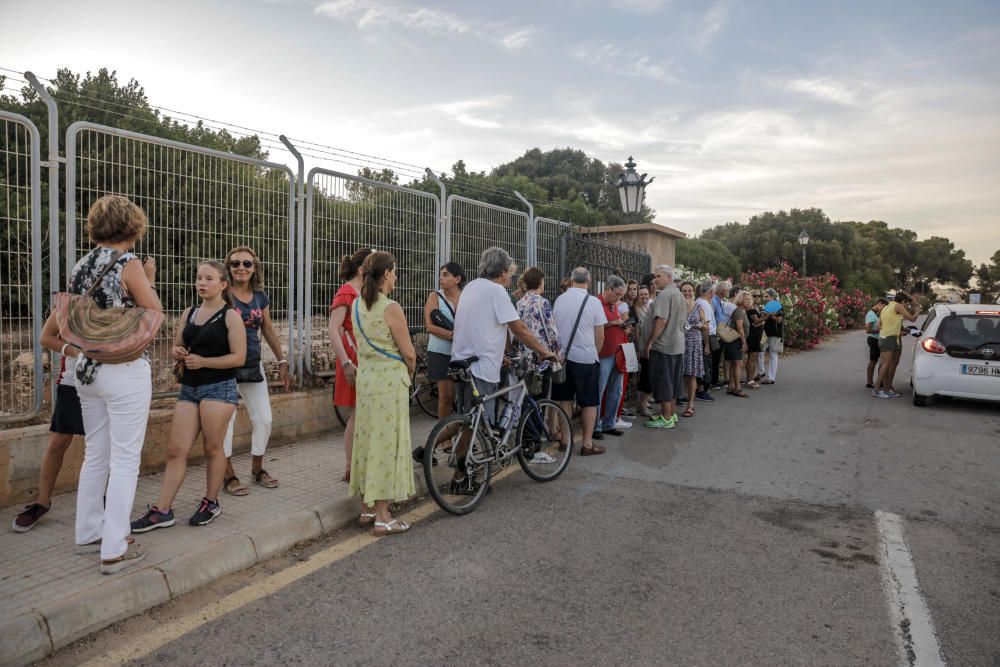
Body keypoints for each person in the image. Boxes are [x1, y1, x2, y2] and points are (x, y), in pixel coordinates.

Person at [70, 194, 160, 573]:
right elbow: (153, 313)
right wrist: (149, 281)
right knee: (125, 458)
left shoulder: (80, 264)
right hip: (123, 368)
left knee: (96, 452)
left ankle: (89, 530)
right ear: (132, 226)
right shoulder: (128, 262)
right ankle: (115, 545)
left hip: (87, 368)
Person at [131, 261, 246, 533]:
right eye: (198, 278)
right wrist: (178, 353)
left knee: (212, 448)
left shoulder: (230, 316)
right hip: (190, 388)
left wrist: (204, 362)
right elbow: (177, 345)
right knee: (175, 450)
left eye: (208, 278)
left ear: (223, 284)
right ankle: (162, 510)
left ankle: (211, 502)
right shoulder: (190, 312)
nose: (202, 283)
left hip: (219, 388)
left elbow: (238, 358)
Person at [449, 248, 556, 483]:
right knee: (481, 426)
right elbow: (518, 328)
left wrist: (506, 352)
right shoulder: (496, 291)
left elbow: (492, 324)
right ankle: (467, 477)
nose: (510, 279)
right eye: (509, 273)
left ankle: (453, 469)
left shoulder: (471, 287)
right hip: (482, 366)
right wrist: (545, 352)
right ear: (502, 272)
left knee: (466, 419)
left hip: (461, 360)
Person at [350, 251, 418, 535]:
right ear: (387, 273)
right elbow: (409, 354)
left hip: (366, 381)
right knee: (386, 446)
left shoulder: (356, 304)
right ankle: (383, 516)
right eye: (395, 271)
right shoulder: (391, 307)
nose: (396, 275)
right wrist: (410, 374)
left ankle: (366, 509)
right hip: (389, 383)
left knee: (366, 442)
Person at [220, 246, 290, 496]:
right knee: (225, 422)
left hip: (252, 365)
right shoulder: (222, 292)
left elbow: (268, 329)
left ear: (254, 268)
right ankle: (227, 475)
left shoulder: (260, 296)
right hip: (225, 365)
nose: (241, 268)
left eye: (247, 264)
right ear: (228, 267)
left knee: (264, 419)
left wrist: (282, 361)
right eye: (235, 263)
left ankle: (257, 468)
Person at [12, 313, 88, 531]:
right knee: (58, 443)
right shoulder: (69, 304)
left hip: (105, 384)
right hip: (72, 382)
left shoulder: (118, 296)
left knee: (100, 447)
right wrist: (74, 351)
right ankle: (42, 502)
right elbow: (46, 337)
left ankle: (100, 503)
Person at [329, 248, 372, 483]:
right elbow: (333, 328)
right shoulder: (346, 291)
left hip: (364, 358)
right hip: (352, 360)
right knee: (357, 415)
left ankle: (357, 464)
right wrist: (345, 362)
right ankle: (349, 467)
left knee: (362, 414)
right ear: (361, 268)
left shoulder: (365, 291)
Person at [552, 267, 607, 454]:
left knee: (565, 400)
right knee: (589, 402)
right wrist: (595, 354)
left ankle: (565, 441)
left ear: (572, 280)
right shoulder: (594, 302)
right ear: (589, 282)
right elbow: (600, 336)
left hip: (563, 359)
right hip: (586, 358)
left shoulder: (559, 300)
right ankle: (587, 444)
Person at [643, 265, 687, 428]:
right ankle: (671, 414)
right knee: (674, 382)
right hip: (677, 345)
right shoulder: (679, 294)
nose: (655, 279)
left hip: (664, 346)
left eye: (659, 276)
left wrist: (650, 342)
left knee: (664, 381)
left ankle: (666, 418)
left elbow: (661, 321)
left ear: (669, 277)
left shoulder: (665, 295)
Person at [423, 262, 465, 418]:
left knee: (462, 396)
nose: (441, 278)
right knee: (446, 396)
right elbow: (429, 326)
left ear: (457, 278)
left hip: (462, 351)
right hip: (440, 352)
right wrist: (451, 335)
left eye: (446, 274)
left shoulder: (466, 296)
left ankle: (461, 433)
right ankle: (444, 439)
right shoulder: (435, 296)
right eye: (441, 274)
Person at [596, 276, 629, 437]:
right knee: (599, 389)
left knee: (616, 390)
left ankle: (609, 423)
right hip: (604, 353)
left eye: (620, 296)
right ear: (608, 289)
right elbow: (595, 325)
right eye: (616, 294)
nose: (618, 298)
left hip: (617, 352)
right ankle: (595, 426)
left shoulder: (612, 305)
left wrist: (622, 326)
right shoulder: (596, 303)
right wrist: (612, 323)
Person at [874, 292, 921, 398]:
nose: (906, 306)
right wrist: (917, 311)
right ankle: (876, 389)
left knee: (890, 363)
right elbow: (912, 318)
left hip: (888, 337)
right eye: (906, 304)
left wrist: (901, 330)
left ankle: (887, 389)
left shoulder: (887, 307)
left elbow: (879, 324)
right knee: (886, 364)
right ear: (903, 301)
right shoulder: (898, 306)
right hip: (889, 338)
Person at [516, 266, 562, 369]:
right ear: (540, 282)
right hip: (542, 355)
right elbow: (552, 330)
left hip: (525, 356)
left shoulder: (520, 303)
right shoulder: (542, 302)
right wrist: (558, 352)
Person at [680, 281, 708, 417]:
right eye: (684, 291)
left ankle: (690, 405)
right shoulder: (677, 306)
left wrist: (700, 325)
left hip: (694, 344)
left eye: (689, 290)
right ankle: (676, 401)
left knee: (691, 375)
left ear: (693, 291)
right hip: (679, 343)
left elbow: (706, 326)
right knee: (678, 374)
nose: (687, 293)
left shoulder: (699, 307)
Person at [722, 290, 750, 397]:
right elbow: (740, 328)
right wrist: (744, 343)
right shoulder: (739, 311)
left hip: (735, 340)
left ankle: (730, 387)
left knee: (735, 364)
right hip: (735, 340)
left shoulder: (742, 311)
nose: (748, 301)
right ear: (740, 300)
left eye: (749, 299)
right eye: (746, 299)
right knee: (738, 364)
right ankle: (737, 388)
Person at [694, 282, 716, 402]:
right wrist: (707, 345)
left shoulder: (703, 302)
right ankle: (701, 390)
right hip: (705, 338)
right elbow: (705, 326)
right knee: (704, 364)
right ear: (710, 292)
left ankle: (702, 389)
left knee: (705, 364)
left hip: (707, 337)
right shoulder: (702, 304)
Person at [710, 281, 732, 389]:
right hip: (715, 333)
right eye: (727, 290)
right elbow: (712, 317)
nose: (728, 292)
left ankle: (715, 379)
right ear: (723, 291)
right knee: (714, 358)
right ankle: (712, 381)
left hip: (721, 332)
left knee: (718, 358)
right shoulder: (713, 301)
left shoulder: (720, 301)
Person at [761, 288, 784, 385]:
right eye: (764, 296)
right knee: (760, 352)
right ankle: (761, 372)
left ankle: (771, 378)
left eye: (767, 296)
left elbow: (779, 320)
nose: (765, 298)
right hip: (765, 333)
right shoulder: (767, 305)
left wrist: (770, 315)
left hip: (775, 333)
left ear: (772, 296)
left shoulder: (778, 306)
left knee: (773, 355)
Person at [865, 297, 889, 388]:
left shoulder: (877, 313)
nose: (884, 309)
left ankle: (880, 381)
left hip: (879, 339)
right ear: (879, 303)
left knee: (881, 361)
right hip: (873, 339)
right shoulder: (871, 314)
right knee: (873, 360)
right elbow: (868, 330)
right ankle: (869, 381)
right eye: (884, 306)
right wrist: (880, 330)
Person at [744, 292, 765, 388]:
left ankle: (750, 379)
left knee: (753, 357)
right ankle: (750, 380)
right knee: (752, 358)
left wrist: (760, 322)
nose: (757, 297)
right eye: (754, 295)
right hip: (752, 336)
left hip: (756, 335)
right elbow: (757, 321)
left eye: (758, 296)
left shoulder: (754, 308)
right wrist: (768, 316)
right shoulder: (751, 309)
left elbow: (757, 322)